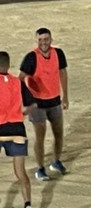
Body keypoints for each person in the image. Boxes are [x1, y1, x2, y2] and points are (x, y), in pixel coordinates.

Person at [18, 28, 69, 182]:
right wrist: (26, 100)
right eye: (40, 40)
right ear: (37, 41)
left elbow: (63, 73)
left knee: (58, 133)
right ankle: (40, 168)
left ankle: (56, 161)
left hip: (54, 101)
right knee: (40, 137)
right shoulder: (31, 58)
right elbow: (20, 79)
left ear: (51, 40)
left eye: (46, 39)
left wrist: (65, 96)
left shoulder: (58, 54)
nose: (43, 43)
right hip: (37, 104)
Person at [0, 51, 37, 208]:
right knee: (20, 172)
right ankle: (28, 206)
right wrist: (21, 114)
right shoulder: (17, 82)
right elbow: (33, 104)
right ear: (7, 65)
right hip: (17, 130)